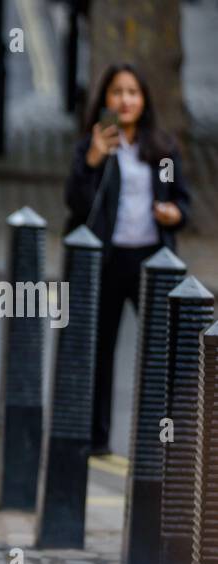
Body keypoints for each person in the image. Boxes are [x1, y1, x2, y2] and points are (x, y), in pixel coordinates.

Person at [64, 62, 190, 456]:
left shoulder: (162, 150)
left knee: (163, 350)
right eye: (116, 92)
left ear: (144, 100)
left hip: (153, 260)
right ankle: (97, 437)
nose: (125, 100)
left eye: (132, 92)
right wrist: (93, 161)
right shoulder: (92, 145)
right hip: (107, 257)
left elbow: (180, 200)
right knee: (100, 349)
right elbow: (77, 204)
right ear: (105, 100)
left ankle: (162, 438)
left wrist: (175, 214)